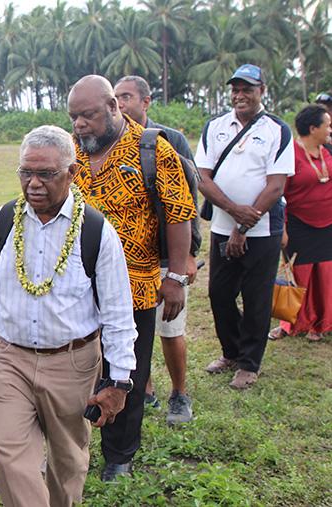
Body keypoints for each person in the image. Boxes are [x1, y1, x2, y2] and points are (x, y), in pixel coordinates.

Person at [0, 125, 137, 507]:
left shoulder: (96, 231)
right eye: (26, 172)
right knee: (9, 453)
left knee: (67, 466)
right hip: (8, 358)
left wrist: (120, 381)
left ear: (72, 173)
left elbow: (118, 313)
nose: (34, 184)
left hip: (73, 363)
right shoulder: (0, 223)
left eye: (47, 174)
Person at [68, 75, 195, 480]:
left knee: (127, 373)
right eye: (73, 117)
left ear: (112, 107)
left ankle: (119, 455)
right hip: (78, 288)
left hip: (136, 285)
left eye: (87, 115)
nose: (80, 125)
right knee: (78, 367)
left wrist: (175, 276)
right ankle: (74, 443)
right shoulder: (71, 151)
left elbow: (179, 213)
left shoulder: (153, 149)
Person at [196, 64, 294, 389]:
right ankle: (231, 351)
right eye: (236, 89)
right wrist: (233, 212)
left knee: (256, 297)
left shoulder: (278, 130)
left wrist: (244, 224)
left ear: (261, 91)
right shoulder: (215, 126)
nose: (240, 95)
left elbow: (275, 186)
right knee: (219, 294)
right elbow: (203, 178)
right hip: (223, 226)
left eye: (247, 89)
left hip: (264, 230)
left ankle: (249, 363)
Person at [114, 75, 201, 425]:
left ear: (146, 102)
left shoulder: (169, 140)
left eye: (127, 97)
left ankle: (179, 394)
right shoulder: (111, 141)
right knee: (134, 330)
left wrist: (188, 257)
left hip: (167, 257)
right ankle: (144, 389)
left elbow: (188, 199)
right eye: (115, 98)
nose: (120, 104)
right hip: (129, 257)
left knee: (170, 328)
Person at [269, 105, 332, 341]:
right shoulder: (291, 154)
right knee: (300, 275)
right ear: (313, 128)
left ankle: (322, 322)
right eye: (327, 125)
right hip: (299, 224)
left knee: (325, 273)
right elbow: (280, 196)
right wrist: (282, 228)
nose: (330, 129)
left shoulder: (328, 150)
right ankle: (294, 322)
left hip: (328, 224)